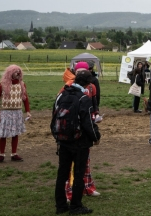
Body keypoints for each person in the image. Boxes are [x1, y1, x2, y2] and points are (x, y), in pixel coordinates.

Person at [54, 72, 101, 215]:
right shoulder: (84, 98)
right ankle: (75, 206)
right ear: (87, 84)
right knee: (79, 174)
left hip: (63, 140)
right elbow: (88, 123)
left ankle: (61, 205)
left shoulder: (62, 95)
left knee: (62, 173)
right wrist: (96, 136)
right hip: (80, 142)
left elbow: (54, 116)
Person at [64, 64, 101, 201]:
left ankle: (88, 187)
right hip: (71, 130)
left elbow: (94, 103)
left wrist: (95, 115)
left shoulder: (91, 87)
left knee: (85, 161)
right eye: (79, 71)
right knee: (69, 164)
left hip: (85, 128)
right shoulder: (67, 87)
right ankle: (68, 191)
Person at [0, 65, 31, 163]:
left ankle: (14, 154)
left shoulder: (22, 84)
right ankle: (1, 154)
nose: (18, 73)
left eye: (19, 71)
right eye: (16, 71)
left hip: (17, 112)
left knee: (15, 134)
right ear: (10, 73)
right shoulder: (2, 85)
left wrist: (28, 111)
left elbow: (25, 99)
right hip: (5, 112)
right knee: (3, 134)